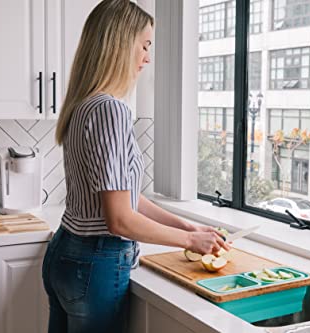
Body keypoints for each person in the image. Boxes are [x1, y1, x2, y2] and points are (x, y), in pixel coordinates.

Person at [41, 1, 229, 332]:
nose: (147, 56)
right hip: (96, 263)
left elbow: (128, 198)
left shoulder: (83, 106)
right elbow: (120, 220)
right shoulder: (111, 110)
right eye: (144, 44)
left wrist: (187, 228)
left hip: (66, 253)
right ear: (120, 43)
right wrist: (188, 243)